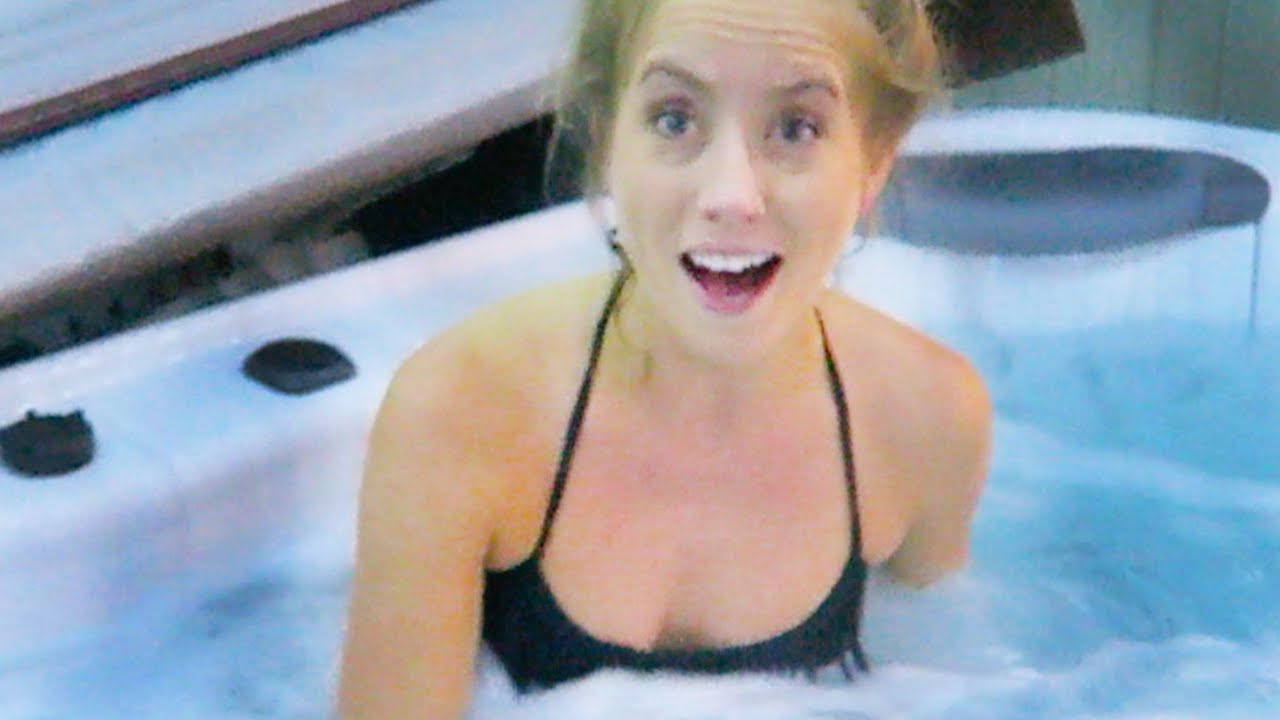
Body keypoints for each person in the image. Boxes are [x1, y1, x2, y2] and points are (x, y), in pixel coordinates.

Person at [337, 0, 991, 716]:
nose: (731, 197)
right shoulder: (460, 411)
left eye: (796, 128)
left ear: (873, 163)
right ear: (606, 141)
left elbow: (941, 685)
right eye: (675, 119)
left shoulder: (927, 414)